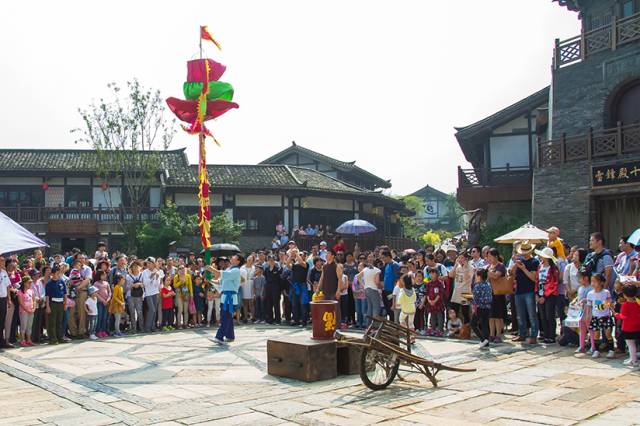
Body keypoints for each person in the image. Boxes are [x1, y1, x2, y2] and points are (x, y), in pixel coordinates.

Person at [510, 241, 540, 344]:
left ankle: (534, 335)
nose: (523, 253)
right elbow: (512, 274)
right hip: (519, 291)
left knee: (532, 314)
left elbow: (533, 278)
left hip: (529, 291)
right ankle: (522, 333)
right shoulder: (519, 261)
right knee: (520, 314)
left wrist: (523, 268)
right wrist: (515, 265)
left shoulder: (534, 262)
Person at [211, 254, 243, 345]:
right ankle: (230, 335)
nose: (232, 258)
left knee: (226, 318)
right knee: (227, 317)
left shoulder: (236, 270)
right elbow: (221, 281)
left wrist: (212, 269)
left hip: (231, 298)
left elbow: (223, 274)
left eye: (234, 257)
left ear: (238, 261)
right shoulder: (228, 269)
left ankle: (219, 337)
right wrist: (211, 280)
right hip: (225, 296)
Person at [586, 273, 614, 359]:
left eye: (595, 281)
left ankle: (611, 350)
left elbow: (609, 303)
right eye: (592, 281)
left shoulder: (606, 292)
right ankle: (596, 350)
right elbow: (589, 306)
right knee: (596, 334)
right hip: (595, 317)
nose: (593, 283)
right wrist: (588, 315)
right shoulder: (590, 294)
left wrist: (610, 307)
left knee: (608, 333)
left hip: (605, 316)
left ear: (601, 282)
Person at [535, 247, 559, 344]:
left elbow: (554, 284)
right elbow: (537, 280)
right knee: (543, 316)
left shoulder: (553, 269)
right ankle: (546, 335)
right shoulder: (540, 267)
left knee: (550, 316)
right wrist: (536, 294)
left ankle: (552, 336)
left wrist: (544, 296)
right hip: (540, 294)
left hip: (550, 296)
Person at [615, 284, 640, 367]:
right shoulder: (638, 302)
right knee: (634, 344)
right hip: (637, 326)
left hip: (628, 328)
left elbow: (624, 316)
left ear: (624, 294)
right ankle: (632, 358)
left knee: (630, 345)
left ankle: (633, 360)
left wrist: (617, 315)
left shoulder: (625, 305)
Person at [486, 248, 507, 343]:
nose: (488, 258)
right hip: (490, 293)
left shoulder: (501, 266)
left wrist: (487, 272)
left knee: (498, 315)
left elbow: (496, 276)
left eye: (490, 256)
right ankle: (491, 334)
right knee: (491, 315)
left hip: (498, 293)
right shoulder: (489, 266)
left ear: (495, 256)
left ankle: (498, 334)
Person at [449, 251, 473, 325]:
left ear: (466, 259)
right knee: (454, 310)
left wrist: (465, 268)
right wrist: (455, 265)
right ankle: (455, 328)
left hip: (466, 292)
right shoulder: (457, 266)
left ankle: (466, 329)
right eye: (459, 257)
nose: (460, 259)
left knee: (465, 312)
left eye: (462, 258)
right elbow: (450, 275)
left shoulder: (471, 267)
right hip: (457, 291)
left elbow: (467, 278)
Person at [45, 265, 67, 345]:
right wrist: (47, 306)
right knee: (52, 322)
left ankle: (60, 337)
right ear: (53, 274)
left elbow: (65, 293)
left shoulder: (61, 281)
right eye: (57, 273)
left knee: (59, 321)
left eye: (59, 273)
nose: (58, 275)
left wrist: (65, 303)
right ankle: (53, 339)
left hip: (61, 303)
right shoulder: (49, 283)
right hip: (53, 303)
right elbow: (47, 296)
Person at [471, 268, 492, 349]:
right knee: (485, 325)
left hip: (479, 308)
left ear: (479, 276)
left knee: (473, 324)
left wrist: (473, 306)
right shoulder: (488, 284)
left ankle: (483, 339)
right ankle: (486, 342)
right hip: (487, 307)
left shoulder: (477, 286)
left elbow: (475, 299)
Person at [357, 256, 381, 326]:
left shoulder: (365, 269)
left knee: (370, 307)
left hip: (366, 289)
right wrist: (380, 286)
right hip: (373, 289)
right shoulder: (377, 270)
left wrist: (363, 285)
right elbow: (377, 282)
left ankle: (368, 325)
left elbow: (358, 276)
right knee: (376, 307)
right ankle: (374, 325)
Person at [142, 257, 164, 332]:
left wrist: (157, 278)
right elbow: (145, 284)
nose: (148, 264)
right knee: (152, 310)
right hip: (148, 293)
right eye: (147, 263)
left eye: (149, 263)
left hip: (155, 292)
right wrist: (151, 277)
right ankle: (147, 327)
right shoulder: (145, 272)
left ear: (153, 264)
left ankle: (152, 327)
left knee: (154, 311)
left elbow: (156, 285)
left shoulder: (157, 271)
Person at [288, 249, 309, 326]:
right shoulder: (295, 265)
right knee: (294, 304)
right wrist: (291, 255)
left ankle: (304, 321)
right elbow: (287, 264)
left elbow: (301, 262)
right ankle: (295, 320)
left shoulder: (306, 264)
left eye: (301, 255)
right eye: (299, 255)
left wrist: (296, 253)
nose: (299, 256)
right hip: (295, 286)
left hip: (303, 286)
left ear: (304, 256)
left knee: (303, 304)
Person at [574, 268, 592, 353]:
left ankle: (593, 346)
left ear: (586, 278)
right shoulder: (580, 288)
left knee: (591, 329)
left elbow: (591, 299)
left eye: (580, 278)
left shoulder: (591, 288)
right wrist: (575, 300)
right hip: (581, 311)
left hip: (589, 312)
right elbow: (579, 297)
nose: (579, 280)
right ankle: (581, 346)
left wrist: (585, 300)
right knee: (582, 329)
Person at [425, 267, 445, 337]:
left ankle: (440, 330)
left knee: (439, 316)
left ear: (437, 274)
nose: (431, 275)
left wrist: (435, 301)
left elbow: (440, 293)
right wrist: (429, 301)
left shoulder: (440, 283)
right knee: (432, 316)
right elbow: (426, 293)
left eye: (433, 273)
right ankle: (433, 330)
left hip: (438, 302)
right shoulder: (428, 283)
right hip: (430, 302)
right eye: (430, 273)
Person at [381, 250, 401, 321]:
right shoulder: (386, 265)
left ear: (388, 256)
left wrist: (394, 292)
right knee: (387, 308)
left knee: (392, 309)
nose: (382, 259)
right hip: (386, 290)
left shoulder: (395, 265)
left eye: (384, 257)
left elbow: (397, 278)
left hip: (392, 291)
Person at [126, 261, 145, 333]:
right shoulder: (128, 276)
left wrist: (139, 284)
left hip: (139, 295)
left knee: (140, 312)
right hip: (130, 295)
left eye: (137, 266)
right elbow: (126, 287)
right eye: (134, 266)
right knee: (132, 312)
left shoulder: (142, 275)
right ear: (131, 268)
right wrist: (133, 285)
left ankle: (141, 328)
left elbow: (144, 285)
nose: (135, 268)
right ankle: (134, 329)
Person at [397, 274, 416, 343]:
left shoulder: (403, 290)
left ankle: (407, 333)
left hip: (405, 308)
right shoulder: (413, 289)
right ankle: (413, 337)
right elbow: (414, 298)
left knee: (401, 320)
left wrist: (398, 304)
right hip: (412, 308)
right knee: (411, 323)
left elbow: (400, 300)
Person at [264, 256, 282, 324]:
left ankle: (278, 319)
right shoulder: (266, 269)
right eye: (269, 260)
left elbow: (280, 280)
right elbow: (265, 278)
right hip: (268, 288)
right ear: (268, 261)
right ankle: (270, 319)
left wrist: (280, 290)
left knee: (276, 304)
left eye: (272, 260)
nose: (271, 261)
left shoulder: (277, 269)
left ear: (274, 261)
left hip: (276, 289)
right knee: (269, 304)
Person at [17, 276, 35, 347]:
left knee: (29, 326)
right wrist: (27, 310)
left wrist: (33, 308)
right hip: (24, 312)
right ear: (24, 283)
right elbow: (20, 303)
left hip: (31, 311)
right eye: (29, 282)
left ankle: (29, 340)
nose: (30, 284)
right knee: (23, 326)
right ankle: (22, 340)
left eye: (31, 282)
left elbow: (34, 300)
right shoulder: (20, 292)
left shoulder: (31, 291)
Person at [93, 270, 111, 337]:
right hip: (100, 302)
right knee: (99, 317)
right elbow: (96, 293)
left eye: (105, 275)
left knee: (105, 317)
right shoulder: (96, 283)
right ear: (99, 275)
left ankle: (103, 330)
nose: (104, 276)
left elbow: (109, 292)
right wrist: (103, 300)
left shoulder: (106, 283)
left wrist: (108, 299)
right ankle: (98, 331)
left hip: (106, 302)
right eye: (103, 275)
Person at [0, 257, 13, 348]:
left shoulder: (4, 272)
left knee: (2, 321)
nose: (3, 262)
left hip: (3, 299)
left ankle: (2, 341)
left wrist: (9, 299)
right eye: (1, 261)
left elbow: (8, 286)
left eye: (4, 261)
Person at [351, 262, 367, 328]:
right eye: (358, 266)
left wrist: (361, 290)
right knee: (358, 310)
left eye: (361, 266)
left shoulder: (366, 275)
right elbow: (353, 285)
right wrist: (355, 290)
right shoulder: (356, 275)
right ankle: (358, 322)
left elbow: (365, 285)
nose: (359, 267)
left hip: (364, 295)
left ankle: (364, 323)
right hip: (356, 295)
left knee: (364, 310)